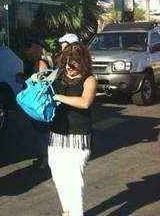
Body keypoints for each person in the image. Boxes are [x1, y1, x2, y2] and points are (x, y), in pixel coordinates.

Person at [49, 42, 97, 216]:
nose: (69, 69)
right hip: (56, 133)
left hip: (78, 136)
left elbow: (85, 102)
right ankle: (67, 211)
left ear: (82, 63)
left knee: (74, 180)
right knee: (58, 176)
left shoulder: (90, 79)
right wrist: (36, 79)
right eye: (67, 64)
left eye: (73, 66)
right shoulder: (60, 75)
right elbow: (43, 79)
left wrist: (59, 97)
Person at [24, 40, 54, 169]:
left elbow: (42, 81)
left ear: (36, 49)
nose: (26, 53)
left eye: (28, 49)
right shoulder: (46, 61)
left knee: (42, 132)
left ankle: (46, 159)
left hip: (40, 101)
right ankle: (44, 157)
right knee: (43, 132)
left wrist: (29, 80)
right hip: (43, 100)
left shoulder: (40, 63)